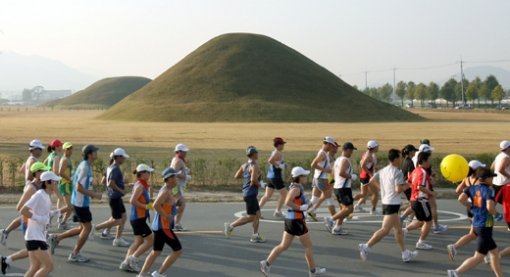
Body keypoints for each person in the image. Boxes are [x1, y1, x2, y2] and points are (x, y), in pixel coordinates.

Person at [260, 166, 326, 277]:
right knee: (308, 246)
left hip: (290, 220)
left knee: (284, 246)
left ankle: (266, 264)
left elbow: (300, 203)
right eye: (304, 175)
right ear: (299, 177)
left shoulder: (296, 187)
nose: (306, 177)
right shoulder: (296, 189)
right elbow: (287, 202)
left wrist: (311, 203)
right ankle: (313, 271)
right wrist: (300, 208)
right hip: (296, 221)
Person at [358, 149, 418, 263]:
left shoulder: (383, 170)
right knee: (385, 230)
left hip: (388, 202)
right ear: (395, 159)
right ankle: (366, 247)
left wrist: (382, 189)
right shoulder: (397, 172)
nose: (401, 159)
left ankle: (405, 253)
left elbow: (371, 180)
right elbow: (398, 189)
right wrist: (409, 185)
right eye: (400, 157)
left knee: (398, 230)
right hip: (391, 204)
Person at [48, 144, 103, 263]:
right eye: (95, 152)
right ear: (90, 154)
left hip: (78, 200)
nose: (96, 154)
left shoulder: (85, 165)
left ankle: (56, 238)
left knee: (81, 228)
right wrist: (94, 194)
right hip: (80, 202)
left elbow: (77, 182)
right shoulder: (85, 168)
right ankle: (74, 254)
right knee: (87, 228)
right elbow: (78, 187)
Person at [447, 167, 503, 277]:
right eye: (491, 177)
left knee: (494, 253)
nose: (492, 179)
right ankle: (455, 272)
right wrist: (497, 215)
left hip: (476, 222)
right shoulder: (489, 190)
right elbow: (490, 207)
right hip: (485, 226)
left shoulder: (471, 188)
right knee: (479, 257)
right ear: (485, 178)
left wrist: (471, 206)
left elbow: (461, 198)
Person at [1, 162, 49, 275]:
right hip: (29, 223)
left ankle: (6, 260)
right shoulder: (32, 188)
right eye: (43, 171)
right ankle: (6, 260)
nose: (45, 172)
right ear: (36, 173)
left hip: (36, 224)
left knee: (34, 254)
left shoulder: (41, 186)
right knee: (37, 258)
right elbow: (20, 207)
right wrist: (34, 215)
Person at [137, 167, 182, 277]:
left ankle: (142, 274)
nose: (176, 178)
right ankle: (159, 273)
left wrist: (175, 205)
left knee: (156, 251)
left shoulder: (169, 189)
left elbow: (174, 200)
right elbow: (156, 205)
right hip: (163, 227)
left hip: (159, 226)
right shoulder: (166, 191)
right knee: (178, 250)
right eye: (174, 176)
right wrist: (166, 215)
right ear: (170, 179)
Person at [1, 139, 44, 247]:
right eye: (39, 149)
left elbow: (21, 170)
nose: (41, 151)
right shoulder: (34, 161)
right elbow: (30, 175)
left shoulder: (29, 159)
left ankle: (6, 232)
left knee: (25, 213)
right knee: (29, 213)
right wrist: (36, 180)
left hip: (29, 186)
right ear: (33, 150)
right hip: (32, 188)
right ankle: (36, 237)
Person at [20, 171, 61, 277]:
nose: (57, 183)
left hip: (38, 236)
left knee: (35, 266)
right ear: (47, 183)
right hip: (34, 237)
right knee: (48, 266)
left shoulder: (46, 196)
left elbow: (43, 213)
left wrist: (53, 213)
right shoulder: (39, 195)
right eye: (54, 181)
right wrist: (40, 218)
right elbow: (23, 210)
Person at [224, 146, 265, 243]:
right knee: (251, 217)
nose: (258, 154)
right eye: (257, 153)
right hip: (250, 194)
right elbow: (253, 180)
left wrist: (246, 175)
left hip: (248, 193)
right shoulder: (254, 165)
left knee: (257, 214)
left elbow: (236, 176)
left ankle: (255, 235)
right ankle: (230, 226)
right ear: (254, 154)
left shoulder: (244, 165)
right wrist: (261, 185)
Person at [447, 160, 486, 261]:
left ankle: (455, 247)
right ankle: (485, 255)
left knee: (474, 234)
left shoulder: (467, 179)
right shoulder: (478, 182)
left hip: (470, 210)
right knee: (483, 233)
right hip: (477, 210)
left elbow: (457, 191)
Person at [91, 148, 130, 247]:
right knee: (117, 220)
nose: (124, 159)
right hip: (115, 197)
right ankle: (95, 228)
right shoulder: (115, 169)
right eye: (123, 157)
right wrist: (121, 190)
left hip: (115, 196)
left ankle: (118, 239)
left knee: (123, 217)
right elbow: (110, 183)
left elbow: (104, 181)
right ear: (118, 157)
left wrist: (120, 183)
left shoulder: (110, 167)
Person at [120, 164, 155, 273]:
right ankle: (133, 259)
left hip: (138, 218)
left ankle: (126, 263)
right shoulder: (140, 185)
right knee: (150, 240)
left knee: (138, 241)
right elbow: (132, 200)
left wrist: (150, 199)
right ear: (142, 173)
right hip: (138, 219)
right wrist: (146, 206)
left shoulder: (143, 185)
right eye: (148, 172)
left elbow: (144, 200)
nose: (149, 174)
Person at [323, 142, 359, 235]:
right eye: (351, 150)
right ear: (346, 150)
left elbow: (333, 173)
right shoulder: (345, 160)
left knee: (343, 209)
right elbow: (341, 173)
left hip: (338, 187)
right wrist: (352, 176)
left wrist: (331, 185)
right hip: (343, 188)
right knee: (349, 209)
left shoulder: (338, 159)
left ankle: (337, 228)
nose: (352, 153)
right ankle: (330, 219)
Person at [403, 152, 435, 250]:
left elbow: (408, 182)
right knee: (429, 222)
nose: (430, 162)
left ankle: (404, 230)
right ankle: (421, 242)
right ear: (424, 161)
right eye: (429, 160)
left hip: (414, 200)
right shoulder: (423, 172)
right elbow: (420, 187)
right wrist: (432, 193)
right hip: (421, 200)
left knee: (421, 221)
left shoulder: (416, 171)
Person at [307, 136, 337, 221]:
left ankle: (302, 212)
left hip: (318, 178)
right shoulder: (322, 154)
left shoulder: (323, 153)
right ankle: (335, 219)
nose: (332, 147)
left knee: (314, 199)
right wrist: (326, 170)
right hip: (322, 179)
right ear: (327, 144)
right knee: (329, 199)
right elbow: (313, 164)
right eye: (331, 145)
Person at [259, 137, 288, 219]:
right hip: (276, 177)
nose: (283, 146)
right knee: (285, 194)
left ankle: (256, 211)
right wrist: (280, 165)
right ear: (278, 145)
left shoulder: (275, 152)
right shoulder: (277, 153)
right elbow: (270, 160)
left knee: (267, 195)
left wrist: (282, 165)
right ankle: (278, 211)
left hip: (270, 177)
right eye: (282, 144)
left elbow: (274, 162)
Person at [354, 140, 380, 215]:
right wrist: (369, 173)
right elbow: (362, 164)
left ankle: (354, 203)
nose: (378, 147)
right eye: (377, 146)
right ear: (373, 147)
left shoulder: (368, 153)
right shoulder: (369, 155)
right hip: (367, 176)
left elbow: (362, 163)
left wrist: (374, 169)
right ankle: (373, 210)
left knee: (364, 194)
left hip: (364, 175)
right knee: (375, 193)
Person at [170, 144, 192, 231]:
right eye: (183, 151)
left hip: (178, 185)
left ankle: (175, 223)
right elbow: (173, 173)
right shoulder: (178, 161)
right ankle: (175, 223)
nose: (185, 153)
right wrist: (185, 176)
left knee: (177, 204)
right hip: (176, 186)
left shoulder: (178, 160)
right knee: (181, 203)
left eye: (185, 151)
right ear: (178, 152)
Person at [399, 144, 418, 225]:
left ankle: (409, 219)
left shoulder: (405, 161)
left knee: (413, 204)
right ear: (410, 152)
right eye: (414, 151)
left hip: (405, 186)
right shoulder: (410, 162)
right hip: (409, 187)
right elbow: (410, 176)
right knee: (414, 205)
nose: (415, 152)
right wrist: (414, 186)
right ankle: (403, 218)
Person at [57, 142, 74, 230]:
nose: (70, 150)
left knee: (71, 206)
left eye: (71, 148)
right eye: (68, 149)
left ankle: (63, 222)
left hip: (67, 184)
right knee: (69, 206)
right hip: (65, 184)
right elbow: (60, 172)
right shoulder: (65, 160)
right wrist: (70, 179)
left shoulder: (68, 159)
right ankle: (54, 214)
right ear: (64, 150)